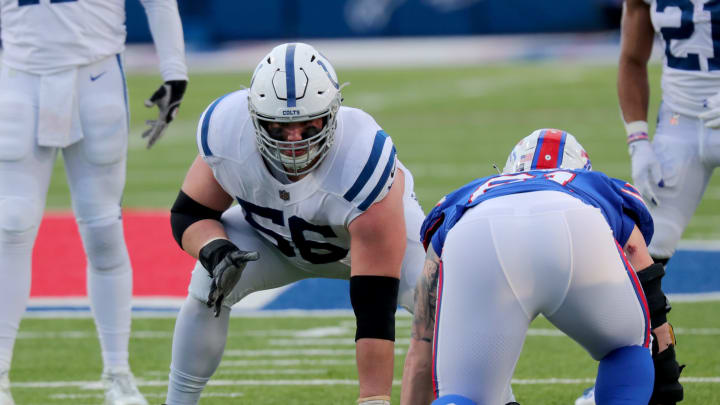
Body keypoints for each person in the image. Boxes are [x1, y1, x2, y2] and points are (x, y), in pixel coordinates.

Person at [164, 42, 426, 405]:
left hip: (368, 248)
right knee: (208, 283)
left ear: (333, 113)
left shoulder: (362, 156)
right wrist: (215, 250)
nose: (294, 140)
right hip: (275, 241)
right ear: (254, 116)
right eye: (279, 125)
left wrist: (374, 399)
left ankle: (492, 396)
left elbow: (374, 307)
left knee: (442, 302)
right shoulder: (227, 130)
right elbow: (190, 213)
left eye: (308, 125)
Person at [0, 0, 187, 404]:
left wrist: (175, 71)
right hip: (19, 77)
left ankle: (118, 373)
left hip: (95, 75)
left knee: (103, 230)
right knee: (11, 226)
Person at [401, 129, 673, 405]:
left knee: (466, 396)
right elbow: (637, 253)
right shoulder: (590, 184)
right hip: (575, 223)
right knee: (626, 349)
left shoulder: (469, 193)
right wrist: (664, 357)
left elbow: (422, 342)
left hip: (475, 231)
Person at [576, 0, 698, 403]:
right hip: (681, 125)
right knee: (638, 250)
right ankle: (656, 385)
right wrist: (638, 139)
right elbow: (631, 57)